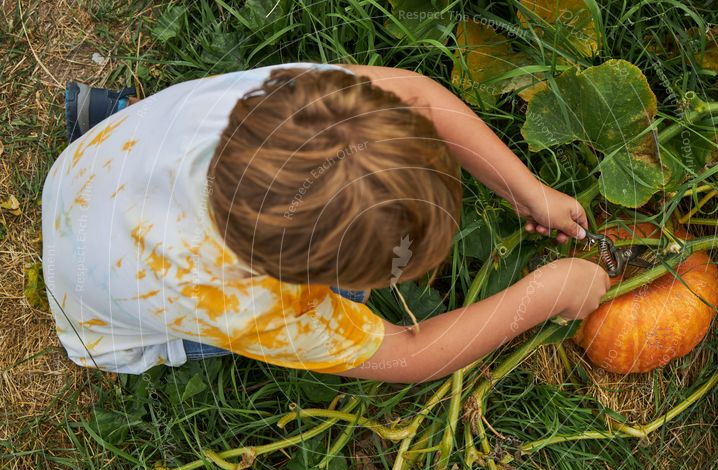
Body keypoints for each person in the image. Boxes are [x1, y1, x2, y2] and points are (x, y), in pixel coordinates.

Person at [42, 62, 609, 383]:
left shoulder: (287, 103)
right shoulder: (262, 305)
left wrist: (527, 190)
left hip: (91, 172)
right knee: (221, 328)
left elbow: (413, 94)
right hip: (96, 315)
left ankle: (112, 123)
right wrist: (547, 292)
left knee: (152, 155)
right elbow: (412, 355)